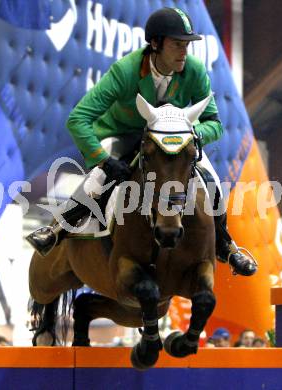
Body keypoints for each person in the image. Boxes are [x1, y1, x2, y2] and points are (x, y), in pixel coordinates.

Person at [26, 7, 257, 277]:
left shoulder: (193, 71)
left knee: (211, 179)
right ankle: (57, 230)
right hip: (125, 134)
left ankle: (226, 245)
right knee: (98, 179)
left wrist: (190, 135)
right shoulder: (125, 71)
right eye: (177, 45)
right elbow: (77, 119)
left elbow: (214, 123)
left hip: (174, 141)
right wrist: (102, 159)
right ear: (156, 43)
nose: (184, 52)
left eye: (187, 45)